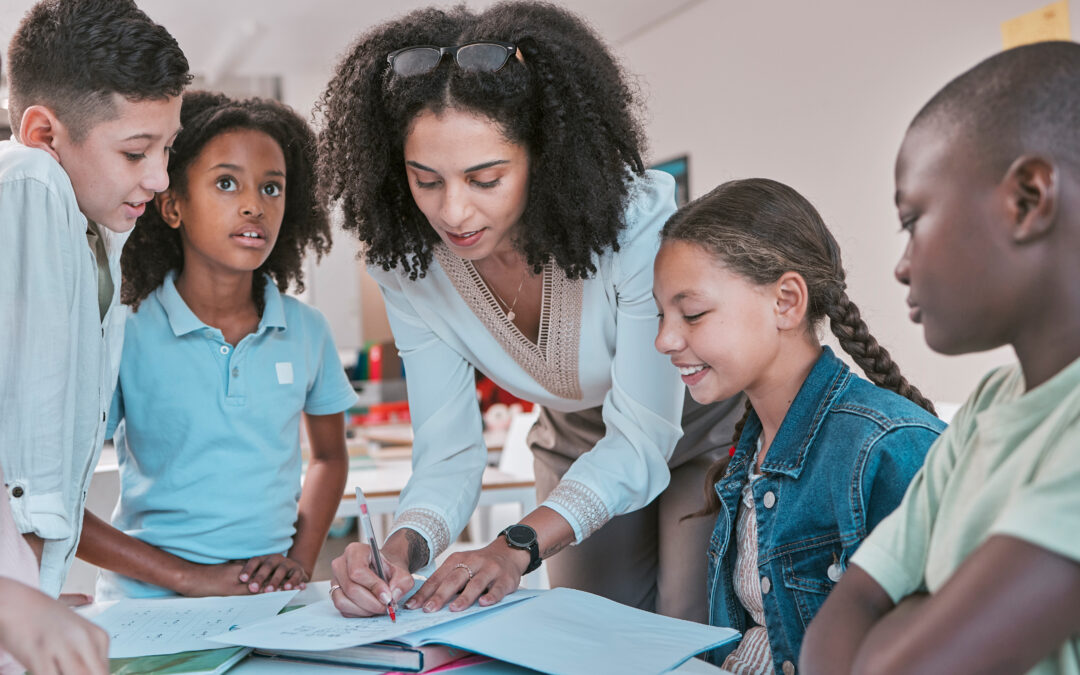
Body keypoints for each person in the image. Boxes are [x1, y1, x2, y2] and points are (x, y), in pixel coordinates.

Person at [319, 2, 744, 622]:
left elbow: (644, 436)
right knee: (590, 632)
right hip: (574, 439)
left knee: (685, 623)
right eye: (426, 180)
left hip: (702, 427)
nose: (453, 213)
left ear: (541, 159)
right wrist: (400, 550)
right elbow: (449, 454)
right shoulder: (408, 265)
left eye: (484, 179)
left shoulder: (631, 226)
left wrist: (513, 545)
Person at [800, 41, 1080, 675]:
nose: (901, 266)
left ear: (1028, 200)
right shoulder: (987, 403)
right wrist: (916, 615)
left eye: (912, 220)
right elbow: (846, 615)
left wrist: (914, 609)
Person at [653, 178, 944, 674]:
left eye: (692, 313)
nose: (664, 340)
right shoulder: (749, 451)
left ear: (786, 301)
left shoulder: (889, 449)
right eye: (660, 315)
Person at [75, 91, 356, 600]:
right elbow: (55, 495)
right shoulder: (123, 332)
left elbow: (330, 458)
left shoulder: (308, 330)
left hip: (265, 603)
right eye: (227, 183)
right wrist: (191, 578)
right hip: (146, 608)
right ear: (173, 206)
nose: (254, 205)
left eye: (272, 188)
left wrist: (298, 562)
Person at [0, 0, 190, 597]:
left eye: (167, 149)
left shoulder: (96, 230)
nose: (159, 178)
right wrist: (22, 601)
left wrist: (42, 589)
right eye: (135, 153)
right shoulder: (30, 181)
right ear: (43, 135)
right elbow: (33, 442)